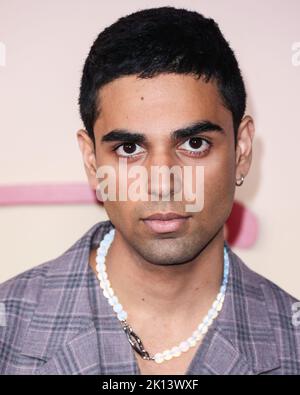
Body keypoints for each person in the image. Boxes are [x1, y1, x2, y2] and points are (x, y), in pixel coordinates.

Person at [0, 6, 299, 375]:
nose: (162, 183)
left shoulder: (293, 341)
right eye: (129, 149)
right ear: (93, 163)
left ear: (241, 151)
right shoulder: (7, 330)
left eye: (194, 144)